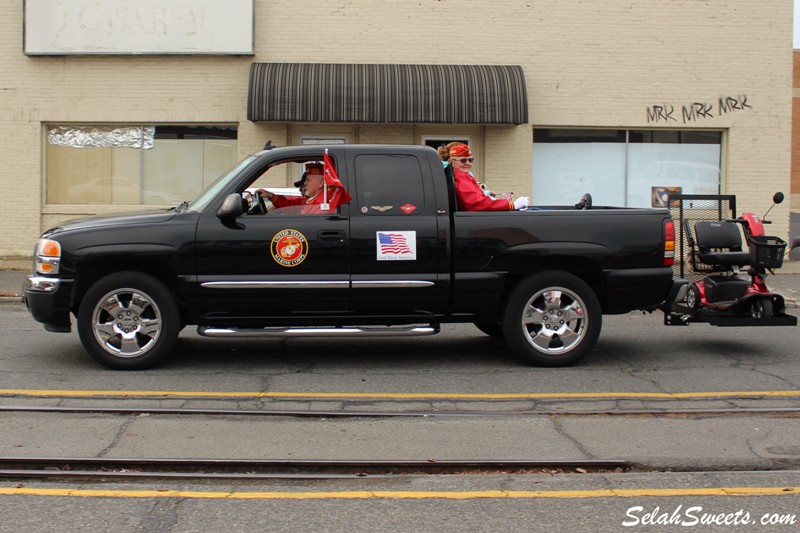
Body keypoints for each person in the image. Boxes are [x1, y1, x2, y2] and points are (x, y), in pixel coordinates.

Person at [448, 144, 529, 211]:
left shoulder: (462, 175)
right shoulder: (460, 178)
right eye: (463, 160)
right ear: (451, 161)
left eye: (470, 160)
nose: (468, 163)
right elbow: (478, 204)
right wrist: (512, 205)